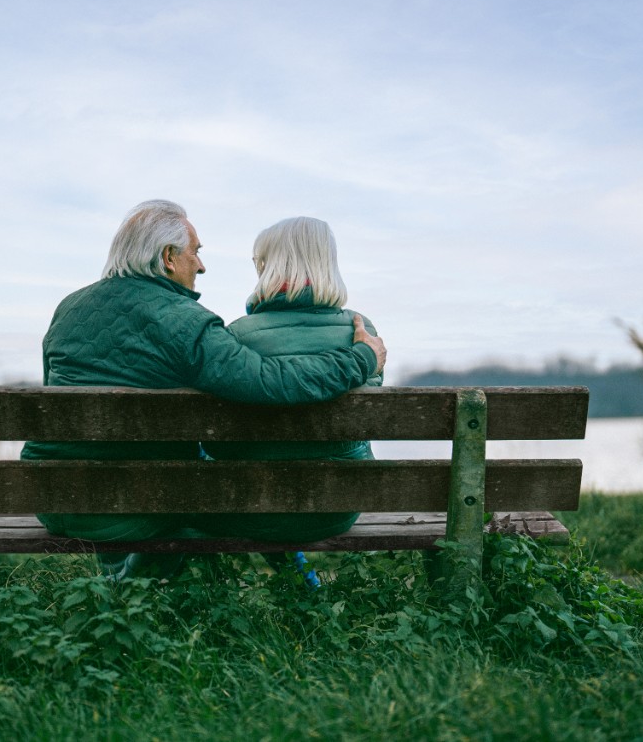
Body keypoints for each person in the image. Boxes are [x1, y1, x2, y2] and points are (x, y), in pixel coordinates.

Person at [20, 200, 386, 578]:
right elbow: (268, 380)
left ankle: (120, 589)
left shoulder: (68, 308)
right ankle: (143, 592)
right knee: (194, 487)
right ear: (168, 258)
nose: (201, 265)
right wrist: (361, 358)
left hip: (50, 497)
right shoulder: (186, 323)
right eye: (195, 252)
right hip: (136, 510)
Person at [198, 217, 380, 542]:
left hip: (249, 510)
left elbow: (216, 442)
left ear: (268, 266)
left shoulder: (236, 337)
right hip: (337, 510)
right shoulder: (361, 332)